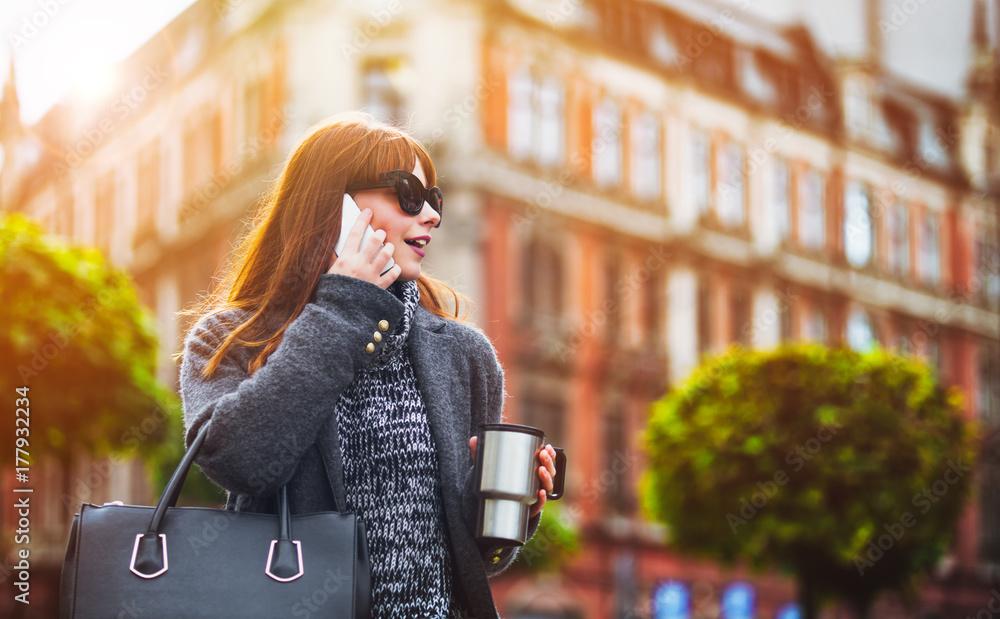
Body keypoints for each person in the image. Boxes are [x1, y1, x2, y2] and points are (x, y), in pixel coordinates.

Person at [175, 111, 557, 619]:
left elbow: (478, 558)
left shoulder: (465, 355)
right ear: (335, 205)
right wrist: (343, 307)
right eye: (408, 196)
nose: (431, 217)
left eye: (434, 201)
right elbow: (241, 462)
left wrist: (513, 505)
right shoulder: (231, 339)